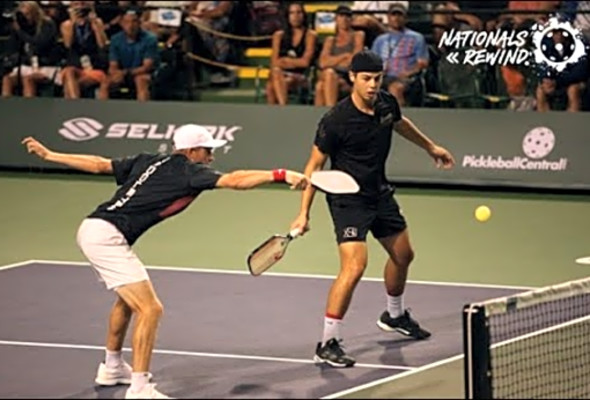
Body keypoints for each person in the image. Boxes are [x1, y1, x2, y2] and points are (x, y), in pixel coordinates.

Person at [21, 125, 308, 398]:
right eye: (208, 150)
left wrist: (51, 155)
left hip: (96, 227)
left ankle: (111, 367)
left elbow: (98, 164)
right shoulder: (189, 172)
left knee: (127, 301)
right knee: (150, 309)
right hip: (106, 237)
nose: (211, 156)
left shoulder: (148, 160)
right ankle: (140, 388)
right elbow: (235, 180)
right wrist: (280, 174)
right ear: (193, 151)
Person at [289, 50, 455, 368]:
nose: (372, 85)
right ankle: (327, 342)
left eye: (377, 78)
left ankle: (394, 315)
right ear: (352, 77)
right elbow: (314, 165)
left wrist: (430, 146)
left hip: (379, 192)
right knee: (355, 266)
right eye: (366, 78)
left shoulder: (385, 102)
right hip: (347, 198)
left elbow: (400, 123)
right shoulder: (335, 121)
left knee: (404, 255)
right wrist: (303, 212)